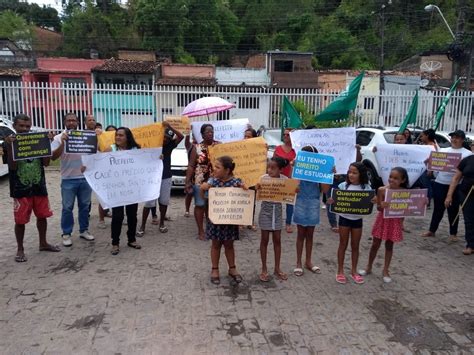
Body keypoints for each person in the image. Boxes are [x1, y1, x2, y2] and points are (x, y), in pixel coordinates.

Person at [3, 114, 60, 262]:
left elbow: (46, 163)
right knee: (20, 221)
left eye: (27, 126)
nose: (24, 129)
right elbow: (12, 166)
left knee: (42, 216)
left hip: (39, 186)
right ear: (14, 126)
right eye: (21, 126)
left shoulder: (37, 140)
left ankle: (43, 243)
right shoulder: (9, 142)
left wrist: (47, 144)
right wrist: (10, 147)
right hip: (20, 189)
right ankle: (20, 249)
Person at [359, 167, 412, 283]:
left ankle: (386, 270)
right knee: (375, 244)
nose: (392, 180)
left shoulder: (404, 192)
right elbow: (378, 207)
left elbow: (412, 205)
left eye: (396, 178)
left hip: (395, 221)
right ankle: (368, 267)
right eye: (390, 177)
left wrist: (424, 201)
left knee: (389, 245)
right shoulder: (382, 190)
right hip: (382, 220)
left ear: (402, 180)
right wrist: (381, 205)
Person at [200, 156, 246, 285]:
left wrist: (244, 188)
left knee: (229, 245)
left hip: (230, 220)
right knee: (215, 244)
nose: (215, 169)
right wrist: (203, 189)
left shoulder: (236, 182)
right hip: (215, 219)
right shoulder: (212, 181)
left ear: (227, 170)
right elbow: (202, 196)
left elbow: (245, 196)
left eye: (218, 167)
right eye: (215, 166)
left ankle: (232, 269)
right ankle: (215, 269)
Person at [51, 112, 94, 247]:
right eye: (68, 121)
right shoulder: (58, 137)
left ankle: (83, 230)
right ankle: (66, 233)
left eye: (74, 121)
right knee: (67, 208)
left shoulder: (84, 136)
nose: (71, 123)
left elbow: (94, 152)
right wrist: (63, 142)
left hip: (85, 178)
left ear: (77, 122)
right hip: (68, 178)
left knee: (85, 207)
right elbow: (53, 157)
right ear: (64, 122)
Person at [421, 130, 472, 241]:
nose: (454, 140)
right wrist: (429, 164)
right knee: (438, 208)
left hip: (456, 185)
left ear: (462, 140)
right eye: (453, 137)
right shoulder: (443, 150)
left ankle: (453, 233)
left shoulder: (468, 154)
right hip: (440, 182)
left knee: (453, 209)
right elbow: (434, 164)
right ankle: (432, 230)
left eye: (457, 138)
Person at [137, 122, 184, 236]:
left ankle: (161, 223)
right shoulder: (151, 146)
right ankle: (142, 225)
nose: (165, 139)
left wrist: (170, 127)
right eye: (163, 137)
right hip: (152, 178)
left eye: (168, 138)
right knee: (149, 202)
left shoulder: (170, 145)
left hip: (166, 177)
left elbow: (181, 136)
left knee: (164, 202)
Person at [330, 162, 372, 284]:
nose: (351, 175)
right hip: (344, 219)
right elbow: (336, 198)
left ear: (361, 174)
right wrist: (333, 200)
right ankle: (340, 271)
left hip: (357, 220)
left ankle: (354, 271)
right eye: (349, 172)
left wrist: (374, 200)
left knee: (355, 246)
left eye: (354, 173)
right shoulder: (343, 185)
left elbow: (370, 201)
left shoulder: (366, 187)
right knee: (343, 244)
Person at [293, 146, 331, 277]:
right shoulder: (297, 169)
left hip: (314, 202)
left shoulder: (320, 171)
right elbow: (292, 188)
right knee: (300, 233)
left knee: (310, 234)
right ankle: (298, 262)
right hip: (301, 201)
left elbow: (325, 190)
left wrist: (328, 174)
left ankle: (308, 261)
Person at [256, 157, 296, 282]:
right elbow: (258, 195)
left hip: (278, 211)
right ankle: (264, 268)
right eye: (268, 167)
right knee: (264, 239)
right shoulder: (263, 178)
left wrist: (295, 190)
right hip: (265, 211)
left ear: (280, 169)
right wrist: (258, 189)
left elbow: (290, 193)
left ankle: (277, 268)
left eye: (273, 168)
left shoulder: (285, 180)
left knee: (277, 240)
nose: (270, 170)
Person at [106, 127, 142, 255]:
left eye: (121, 135)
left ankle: (131, 239)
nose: (118, 137)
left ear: (128, 137)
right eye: (117, 135)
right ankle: (115, 243)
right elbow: (100, 163)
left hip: (131, 188)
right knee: (117, 216)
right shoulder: (111, 149)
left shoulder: (136, 150)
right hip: (117, 189)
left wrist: (157, 158)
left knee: (132, 215)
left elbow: (145, 163)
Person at [185, 124, 219, 240]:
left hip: (216, 182)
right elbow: (191, 166)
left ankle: (211, 229)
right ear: (202, 134)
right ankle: (201, 231)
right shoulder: (197, 147)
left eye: (212, 131)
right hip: (200, 182)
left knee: (212, 207)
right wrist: (187, 182)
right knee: (200, 205)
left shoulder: (219, 146)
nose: (210, 133)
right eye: (208, 132)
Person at [445, 154, 474, 255]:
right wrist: (449, 195)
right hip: (466, 193)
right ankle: (470, 245)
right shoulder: (467, 160)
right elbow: (456, 178)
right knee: (469, 219)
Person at [273, 128, 296, 233]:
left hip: (290, 178)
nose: (285, 136)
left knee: (289, 202)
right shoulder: (278, 149)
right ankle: (275, 222)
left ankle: (288, 223)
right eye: (284, 134)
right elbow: (272, 163)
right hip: (278, 178)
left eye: (288, 135)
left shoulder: (296, 150)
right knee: (275, 201)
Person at [97, 124, 117, 228]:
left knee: (117, 197)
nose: (111, 134)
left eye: (114, 132)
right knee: (103, 197)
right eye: (109, 132)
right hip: (106, 173)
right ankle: (101, 219)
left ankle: (117, 217)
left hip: (117, 175)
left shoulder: (120, 146)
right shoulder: (102, 143)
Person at [244, 127, 258, 231]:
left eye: (249, 136)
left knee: (251, 201)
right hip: (241, 178)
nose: (246, 138)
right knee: (240, 199)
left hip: (252, 178)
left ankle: (250, 221)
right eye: (245, 136)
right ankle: (240, 222)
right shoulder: (239, 148)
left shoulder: (258, 149)